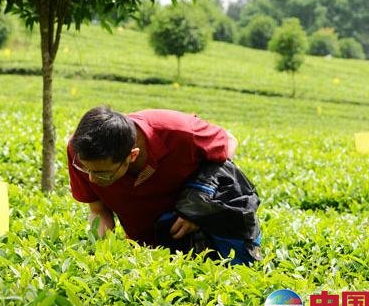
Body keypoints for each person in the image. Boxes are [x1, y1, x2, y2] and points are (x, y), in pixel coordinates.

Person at [67, 106, 259, 263]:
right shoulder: (80, 151)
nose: (91, 179)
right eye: (85, 169)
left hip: (204, 234)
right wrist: (101, 255)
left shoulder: (179, 131)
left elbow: (229, 141)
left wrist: (197, 205)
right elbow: (99, 211)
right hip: (151, 250)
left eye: (102, 173)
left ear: (132, 156)